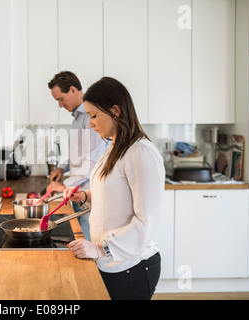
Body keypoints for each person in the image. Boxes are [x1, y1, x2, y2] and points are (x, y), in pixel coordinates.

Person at [63, 77, 165, 300]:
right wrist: (85, 196)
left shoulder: (141, 152)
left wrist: (100, 249)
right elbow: (114, 198)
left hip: (132, 265)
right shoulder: (116, 147)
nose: (90, 123)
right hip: (113, 262)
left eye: (93, 116)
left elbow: (146, 222)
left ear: (115, 111)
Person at [46, 71, 108, 241]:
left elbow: (92, 161)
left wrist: (65, 185)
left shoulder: (91, 117)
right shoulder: (77, 119)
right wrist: (62, 167)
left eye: (60, 99)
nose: (60, 105)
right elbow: (79, 153)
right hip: (77, 193)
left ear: (73, 90)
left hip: (88, 196)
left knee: (88, 248)